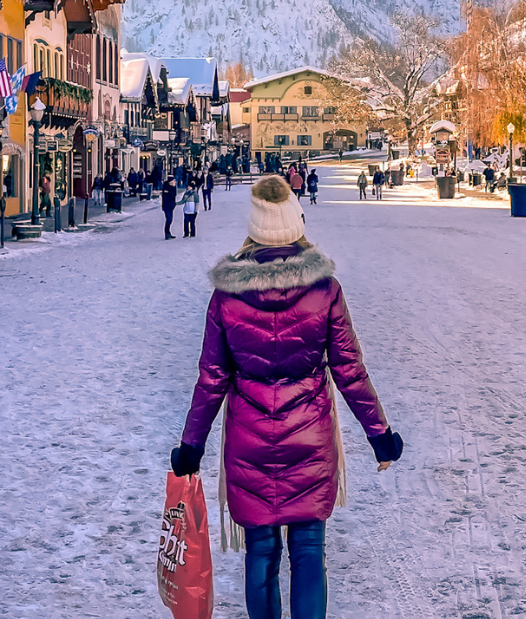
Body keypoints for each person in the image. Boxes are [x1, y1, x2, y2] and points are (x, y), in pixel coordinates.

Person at [171, 175, 402, 619]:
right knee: (309, 550)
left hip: (249, 441)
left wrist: (191, 448)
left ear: (255, 229)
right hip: (310, 440)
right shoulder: (324, 290)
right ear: (295, 223)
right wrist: (380, 435)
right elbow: (349, 369)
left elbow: (212, 378)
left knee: (260, 551)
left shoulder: (227, 296)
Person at [162, 175, 179, 239]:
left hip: (171, 206)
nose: (175, 182)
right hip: (167, 206)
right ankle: (166, 233)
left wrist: (174, 187)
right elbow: (167, 197)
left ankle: (168, 233)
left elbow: (174, 195)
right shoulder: (166, 187)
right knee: (169, 219)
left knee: (170, 220)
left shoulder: (173, 187)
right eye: (174, 181)